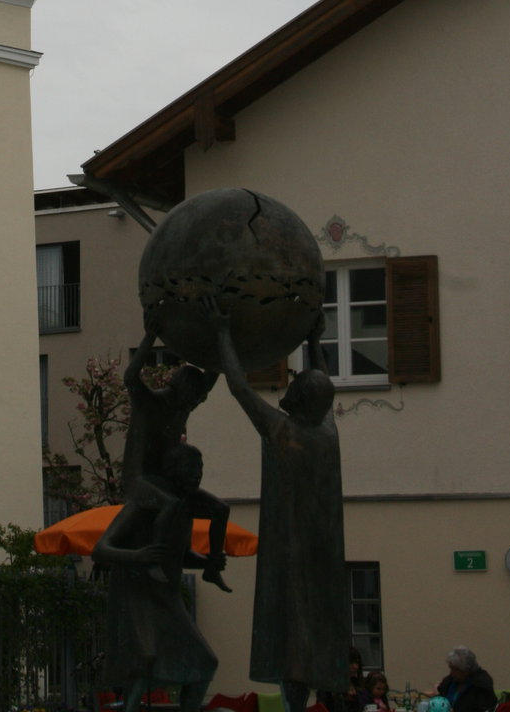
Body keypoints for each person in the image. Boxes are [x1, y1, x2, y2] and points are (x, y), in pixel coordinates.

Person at [205, 300, 348, 712]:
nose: (288, 388)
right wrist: (315, 340)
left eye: (294, 387)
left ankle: (299, 703)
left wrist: (222, 333)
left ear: (298, 400)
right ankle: (321, 697)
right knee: (315, 637)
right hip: (323, 554)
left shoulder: (284, 431)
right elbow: (323, 384)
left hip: (293, 552)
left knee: (294, 639)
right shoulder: (326, 431)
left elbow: (239, 387)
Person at [93, 441, 224, 712]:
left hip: (167, 595)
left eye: (200, 469)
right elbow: (101, 549)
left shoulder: (185, 505)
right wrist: (139, 556)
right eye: (191, 468)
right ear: (173, 470)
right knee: (146, 659)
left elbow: (181, 555)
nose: (198, 475)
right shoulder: (145, 501)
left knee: (205, 662)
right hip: (137, 594)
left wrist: (209, 562)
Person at [122, 315, 229, 591]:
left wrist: (218, 333)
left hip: (167, 479)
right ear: (180, 390)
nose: (196, 403)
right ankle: (155, 560)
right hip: (139, 479)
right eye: (194, 398)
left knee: (220, 509)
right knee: (171, 504)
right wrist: (148, 339)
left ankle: (213, 566)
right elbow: (130, 376)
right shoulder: (151, 402)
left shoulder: (184, 403)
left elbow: (211, 376)